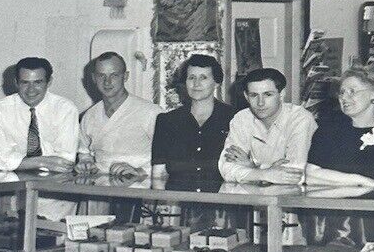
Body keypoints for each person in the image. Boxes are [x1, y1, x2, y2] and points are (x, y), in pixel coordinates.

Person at [305, 65, 374, 187]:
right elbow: (309, 174)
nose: (344, 98)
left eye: (352, 91)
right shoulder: (328, 130)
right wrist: (360, 181)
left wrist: (329, 177)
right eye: (342, 92)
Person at [219, 66, 316, 185]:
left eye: (268, 94)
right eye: (254, 95)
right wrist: (265, 174)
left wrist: (253, 167)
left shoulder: (300, 118)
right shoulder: (242, 118)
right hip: (255, 197)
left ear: (281, 94)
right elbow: (226, 169)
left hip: (301, 198)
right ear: (246, 96)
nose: (260, 103)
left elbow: (294, 174)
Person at [150, 54, 232, 191]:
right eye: (191, 78)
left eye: (203, 77)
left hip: (225, 204)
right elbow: (159, 174)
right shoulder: (167, 121)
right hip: (179, 203)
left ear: (216, 83)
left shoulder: (234, 118)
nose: (196, 84)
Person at [77, 52, 160, 182]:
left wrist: (140, 171)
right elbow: (83, 151)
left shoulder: (150, 112)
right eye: (101, 75)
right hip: (101, 188)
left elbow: (172, 156)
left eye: (114, 75)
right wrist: (85, 163)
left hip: (140, 189)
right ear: (94, 78)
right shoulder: (89, 116)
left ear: (125, 76)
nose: (107, 82)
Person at [0, 57, 79, 173]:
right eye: (25, 82)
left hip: (55, 180)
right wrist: (41, 162)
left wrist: (17, 163)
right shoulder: (0, 109)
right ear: (16, 82)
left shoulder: (65, 109)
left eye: (38, 82)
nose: (31, 90)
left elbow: (66, 161)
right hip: (11, 179)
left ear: (49, 82)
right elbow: (0, 160)